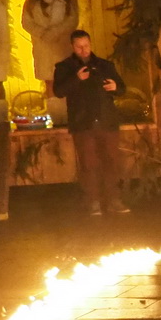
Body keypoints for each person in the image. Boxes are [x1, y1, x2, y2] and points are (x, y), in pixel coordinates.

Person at [51, 31, 128, 215]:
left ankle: (113, 199)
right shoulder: (65, 67)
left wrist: (116, 88)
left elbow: (122, 88)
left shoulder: (104, 65)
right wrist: (77, 79)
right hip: (82, 122)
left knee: (111, 161)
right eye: (79, 46)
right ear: (72, 46)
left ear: (91, 43)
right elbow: (59, 91)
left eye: (86, 45)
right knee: (88, 163)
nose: (84, 50)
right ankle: (93, 200)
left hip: (106, 120)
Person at [21, 0, 79, 122]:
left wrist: (56, 32)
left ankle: (68, 114)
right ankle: (56, 115)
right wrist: (42, 33)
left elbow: (72, 20)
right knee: (49, 80)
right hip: (43, 47)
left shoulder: (65, 1)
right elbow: (26, 23)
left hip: (61, 45)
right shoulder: (31, 3)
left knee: (65, 78)